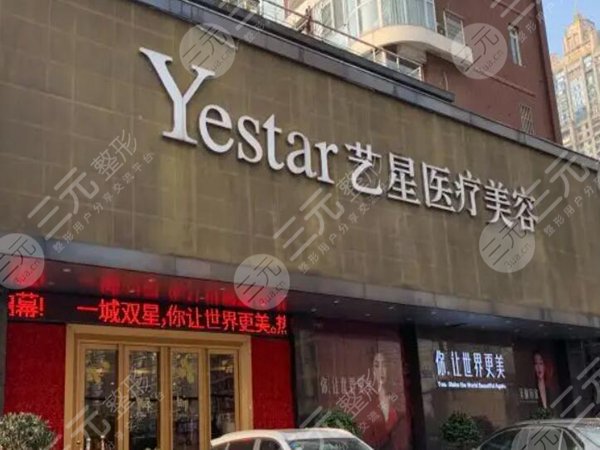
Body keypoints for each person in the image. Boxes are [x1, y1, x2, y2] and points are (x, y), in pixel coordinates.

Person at [360, 351, 409, 450]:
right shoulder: (366, 400)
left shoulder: (397, 396)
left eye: (384, 365)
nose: (381, 370)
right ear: (371, 370)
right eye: (377, 366)